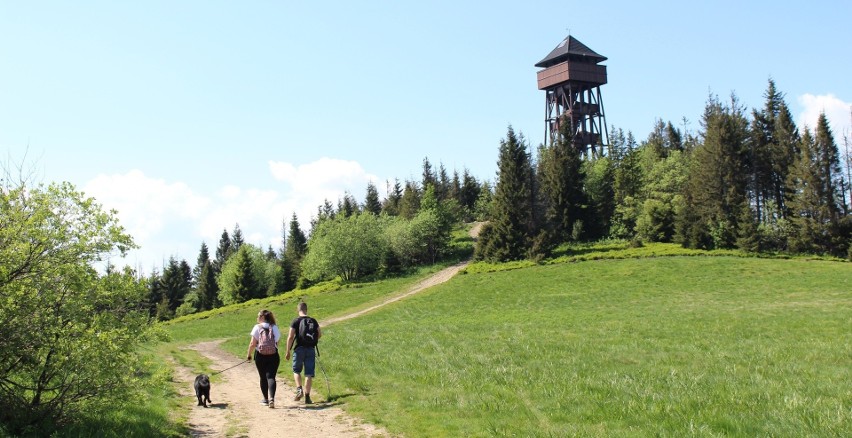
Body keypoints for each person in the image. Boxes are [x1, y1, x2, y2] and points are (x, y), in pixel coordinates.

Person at [285, 302, 322, 404]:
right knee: (309, 373)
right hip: (310, 349)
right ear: (306, 309)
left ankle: (299, 389)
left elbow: (290, 337)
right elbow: (319, 334)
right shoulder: (313, 320)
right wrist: (312, 340)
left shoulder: (296, 321)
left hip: (299, 349)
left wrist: (288, 350)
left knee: (296, 370)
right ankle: (307, 397)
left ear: (298, 310)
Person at [246, 309, 281, 408]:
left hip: (260, 355)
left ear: (262, 317)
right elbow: (277, 342)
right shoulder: (274, 327)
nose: (257, 318)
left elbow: (253, 343)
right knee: (271, 377)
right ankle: (272, 399)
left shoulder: (257, 327)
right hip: (273, 355)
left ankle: (265, 399)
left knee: (262, 377)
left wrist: (249, 355)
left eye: (258, 316)